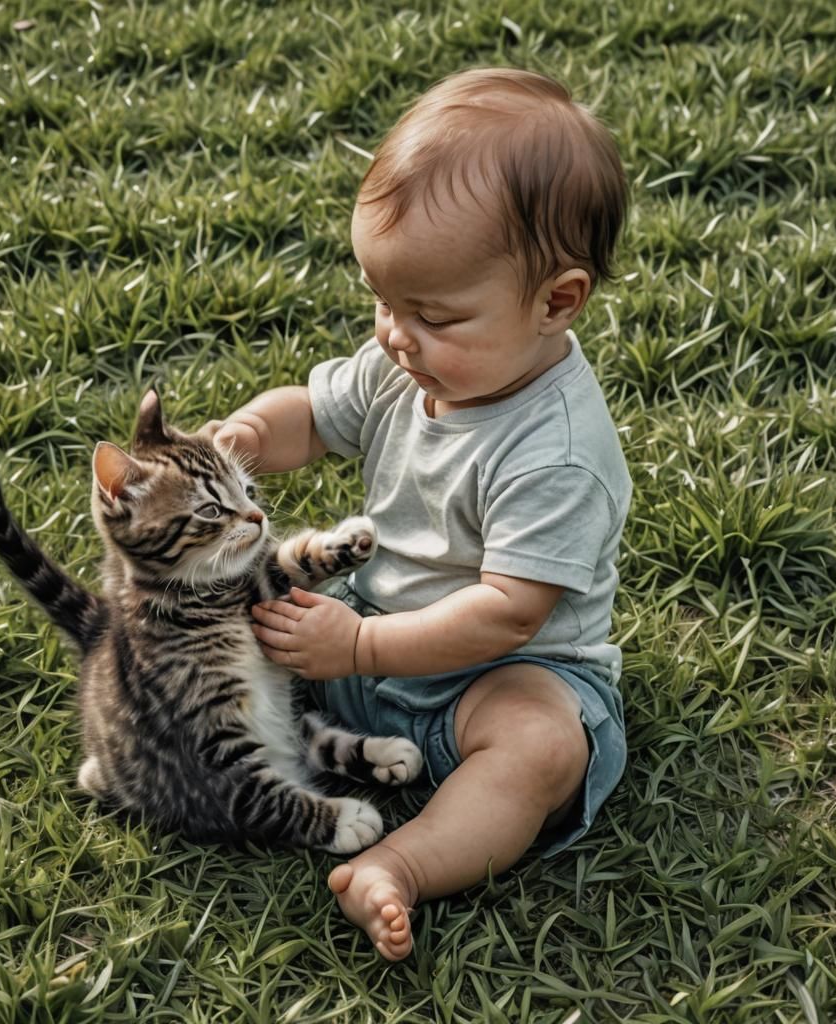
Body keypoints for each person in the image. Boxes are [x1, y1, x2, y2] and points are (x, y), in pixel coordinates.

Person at [205, 66, 632, 961]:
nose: (395, 334)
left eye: (432, 314)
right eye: (382, 301)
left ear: (557, 301)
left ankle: (399, 864)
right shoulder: (409, 362)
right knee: (237, 616)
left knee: (539, 749)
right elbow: (316, 416)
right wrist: (250, 431)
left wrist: (356, 649)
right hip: (370, 637)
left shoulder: (554, 451)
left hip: (503, 675)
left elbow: (509, 611)